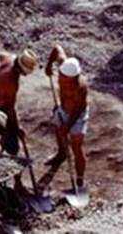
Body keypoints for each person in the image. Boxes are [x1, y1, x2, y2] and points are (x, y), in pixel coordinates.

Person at [44, 45, 89, 188]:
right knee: (59, 132)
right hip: (63, 108)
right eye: (61, 76)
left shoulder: (80, 88)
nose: (61, 79)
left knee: (77, 147)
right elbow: (57, 48)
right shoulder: (64, 64)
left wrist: (68, 126)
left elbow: (78, 109)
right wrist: (49, 64)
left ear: (73, 77)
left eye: (65, 78)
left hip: (77, 116)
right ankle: (61, 154)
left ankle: (80, 179)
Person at [0, 49, 37, 158]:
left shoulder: (9, 58)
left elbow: (1, 54)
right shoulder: (12, 81)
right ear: (20, 68)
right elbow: (10, 108)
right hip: (1, 109)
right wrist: (17, 127)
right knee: (12, 146)